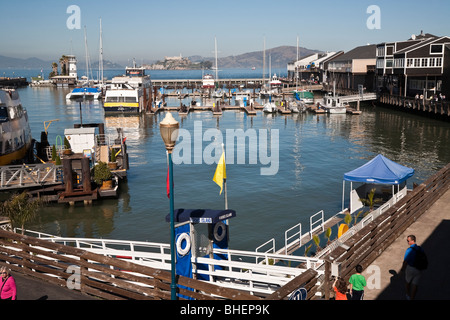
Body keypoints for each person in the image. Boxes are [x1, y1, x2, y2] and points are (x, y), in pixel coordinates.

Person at [401, 235, 424, 300]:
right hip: (418, 268)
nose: (407, 242)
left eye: (408, 241)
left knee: (408, 282)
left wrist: (402, 269)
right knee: (415, 284)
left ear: (412, 241)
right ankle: (412, 298)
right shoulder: (420, 248)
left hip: (410, 268)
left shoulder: (409, 250)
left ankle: (408, 295)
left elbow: (405, 261)